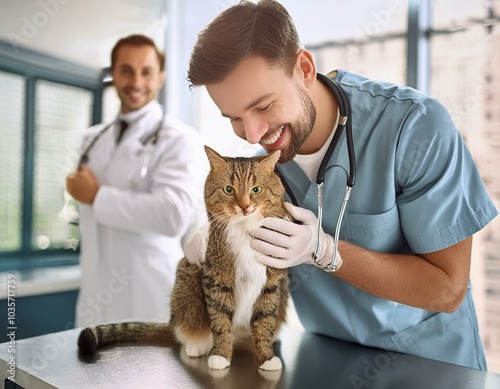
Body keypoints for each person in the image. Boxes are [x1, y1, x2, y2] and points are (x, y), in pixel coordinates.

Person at [185, 0, 498, 370]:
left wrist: (326, 251)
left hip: (433, 367)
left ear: (303, 69)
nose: (254, 133)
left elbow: (448, 289)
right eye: (234, 118)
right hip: (329, 362)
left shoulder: (415, 128)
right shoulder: (264, 171)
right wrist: (212, 236)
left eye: (264, 105)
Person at [66, 34, 208, 327]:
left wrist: (97, 196)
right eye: (126, 70)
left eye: (146, 71)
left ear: (161, 78)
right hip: (94, 296)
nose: (136, 82)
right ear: (113, 74)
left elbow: (172, 215)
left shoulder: (179, 138)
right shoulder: (93, 139)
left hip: (149, 297)